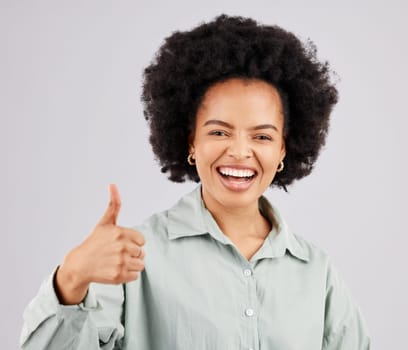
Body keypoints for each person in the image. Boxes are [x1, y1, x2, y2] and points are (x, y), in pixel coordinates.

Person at [20, 14, 371, 349]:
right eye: (219, 131)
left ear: (284, 148)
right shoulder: (136, 258)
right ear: (190, 141)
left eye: (262, 137)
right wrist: (72, 277)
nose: (239, 151)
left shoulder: (316, 272)